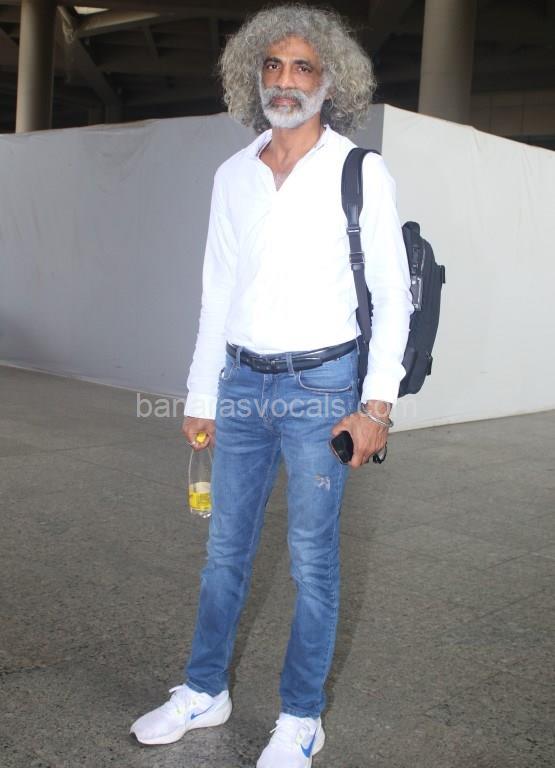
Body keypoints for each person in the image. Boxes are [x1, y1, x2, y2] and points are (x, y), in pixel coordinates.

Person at [130, 4, 413, 766]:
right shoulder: (232, 176)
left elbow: (393, 297)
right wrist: (201, 397)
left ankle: (300, 717)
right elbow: (216, 293)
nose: (285, 81)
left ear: (330, 82)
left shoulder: (359, 172)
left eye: (302, 67)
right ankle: (203, 690)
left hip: (323, 386)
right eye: (272, 65)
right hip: (240, 384)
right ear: (252, 75)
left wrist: (375, 407)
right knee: (224, 550)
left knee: (310, 558)